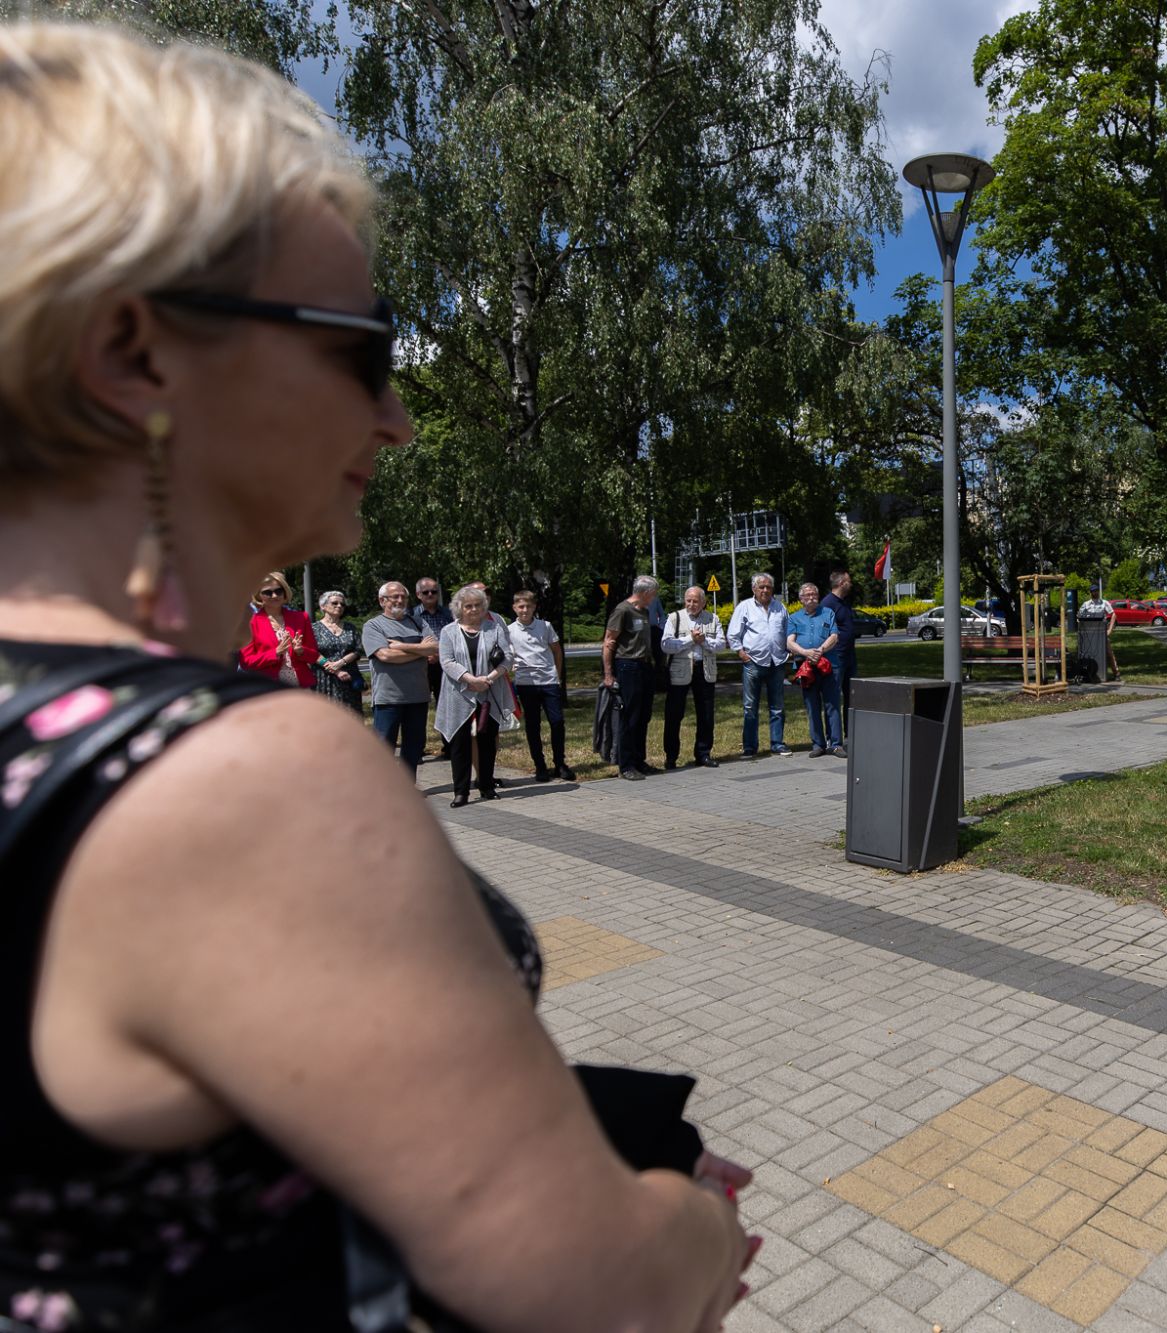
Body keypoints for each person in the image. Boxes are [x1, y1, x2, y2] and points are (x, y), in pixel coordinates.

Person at [0, 25, 752, 1327]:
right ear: (132, 351)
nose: (398, 416)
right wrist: (690, 1224)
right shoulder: (235, 776)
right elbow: (598, 1297)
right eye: (364, 345)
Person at [437, 584, 515, 806]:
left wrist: (488, 679)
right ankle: (460, 791)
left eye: (477, 605)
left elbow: (507, 658)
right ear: (459, 608)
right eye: (468, 606)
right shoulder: (448, 631)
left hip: (489, 690)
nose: (473, 610)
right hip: (459, 693)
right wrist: (470, 680)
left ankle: (487, 786)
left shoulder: (494, 628)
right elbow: (447, 661)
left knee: (487, 740)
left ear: (484, 607)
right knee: (459, 742)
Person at [362, 580, 435, 773]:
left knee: (414, 747)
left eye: (403, 596)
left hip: (418, 696)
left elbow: (435, 648)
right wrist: (420, 650)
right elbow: (385, 655)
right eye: (395, 596)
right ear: (382, 601)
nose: (400, 600)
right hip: (388, 698)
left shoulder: (418, 622)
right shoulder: (373, 626)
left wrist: (402, 646)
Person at [507, 588, 573, 782]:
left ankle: (560, 763)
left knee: (557, 722)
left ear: (534, 607)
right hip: (526, 683)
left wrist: (557, 676)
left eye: (528, 606)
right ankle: (540, 765)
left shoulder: (545, 626)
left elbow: (556, 650)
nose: (525, 610)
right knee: (533, 725)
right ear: (514, 608)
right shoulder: (509, 630)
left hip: (549, 681)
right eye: (521, 606)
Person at [660, 585, 726, 770]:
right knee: (674, 715)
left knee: (705, 715)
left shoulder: (712, 618)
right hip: (680, 671)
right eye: (688, 600)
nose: (691, 604)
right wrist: (690, 639)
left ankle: (703, 754)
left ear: (703, 602)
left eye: (696, 601)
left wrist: (704, 640)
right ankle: (671, 756)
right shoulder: (675, 618)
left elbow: (721, 645)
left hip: (704, 671)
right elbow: (666, 645)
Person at [601, 575, 660, 780]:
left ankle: (638, 760)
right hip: (628, 666)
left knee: (644, 716)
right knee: (629, 717)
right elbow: (609, 642)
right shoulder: (622, 610)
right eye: (653, 594)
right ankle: (625, 764)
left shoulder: (643, 611)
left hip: (644, 666)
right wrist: (608, 674)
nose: (654, 599)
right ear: (644, 593)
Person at [729, 572, 790, 758]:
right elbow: (733, 634)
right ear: (754, 589)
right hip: (753, 663)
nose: (765, 590)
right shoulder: (744, 607)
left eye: (768, 587)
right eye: (761, 587)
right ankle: (749, 747)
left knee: (777, 706)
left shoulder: (780, 607)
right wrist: (742, 654)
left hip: (777, 662)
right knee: (750, 707)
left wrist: (789, 652)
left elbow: (788, 632)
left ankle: (777, 743)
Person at [787, 581, 844, 758]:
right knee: (812, 706)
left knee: (832, 705)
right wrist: (805, 652)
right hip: (807, 668)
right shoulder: (794, 618)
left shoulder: (828, 613)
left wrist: (821, 650)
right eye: (807, 595)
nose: (811, 598)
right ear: (801, 599)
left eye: (814, 595)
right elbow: (789, 642)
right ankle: (818, 744)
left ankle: (835, 744)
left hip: (829, 665)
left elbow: (834, 636)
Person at [238, 570, 318, 686]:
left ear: (285, 593)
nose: (274, 596)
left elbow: (314, 655)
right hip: (267, 687)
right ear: (259, 596)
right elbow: (246, 662)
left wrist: (301, 651)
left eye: (278, 591)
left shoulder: (301, 618)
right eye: (268, 593)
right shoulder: (250, 623)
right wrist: (275, 653)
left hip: (299, 685)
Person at [410, 575, 453, 757]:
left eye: (434, 592)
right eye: (425, 592)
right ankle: (416, 750)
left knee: (447, 707)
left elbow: (454, 639)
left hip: (445, 666)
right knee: (418, 708)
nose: (430, 595)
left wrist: (440, 655)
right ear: (418, 594)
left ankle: (450, 747)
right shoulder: (411, 616)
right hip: (421, 667)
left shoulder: (449, 614)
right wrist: (426, 654)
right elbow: (410, 641)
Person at [309, 588, 364, 714]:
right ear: (323, 606)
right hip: (323, 679)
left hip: (348, 679)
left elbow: (358, 650)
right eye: (335, 603)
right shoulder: (313, 629)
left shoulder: (350, 628)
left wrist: (341, 663)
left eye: (342, 604)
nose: (339, 606)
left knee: (350, 717)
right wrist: (335, 670)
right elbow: (312, 652)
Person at [822, 568, 860, 720]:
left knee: (852, 695)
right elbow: (823, 631)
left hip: (850, 656)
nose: (851, 584)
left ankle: (849, 733)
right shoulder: (827, 604)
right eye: (849, 581)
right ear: (841, 583)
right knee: (833, 696)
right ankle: (833, 736)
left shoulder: (844, 603)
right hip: (836, 658)